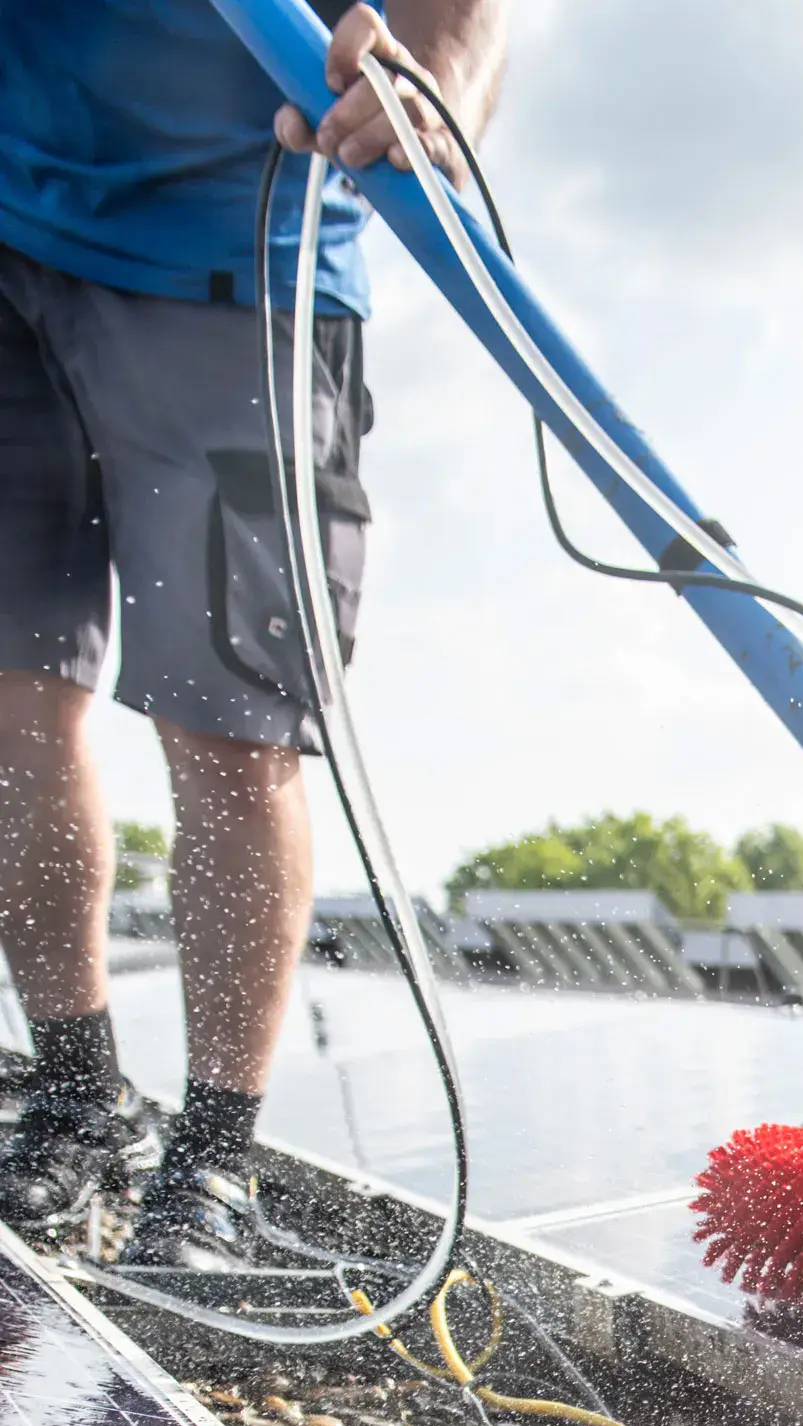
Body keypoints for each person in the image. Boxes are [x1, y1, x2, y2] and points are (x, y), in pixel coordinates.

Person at [0, 0, 507, 1267]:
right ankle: (75, 1104)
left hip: (243, 250)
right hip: (13, 224)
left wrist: (440, 66)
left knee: (232, 729)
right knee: (11, 700)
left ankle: (214, 1161)